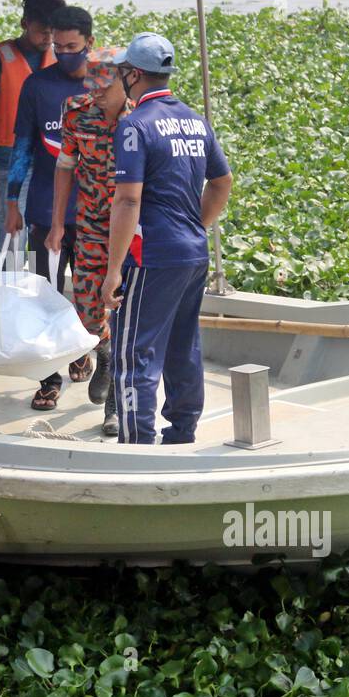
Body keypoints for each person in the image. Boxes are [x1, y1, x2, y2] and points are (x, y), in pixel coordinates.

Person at [103, 34, 234, 445]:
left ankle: (136, 445)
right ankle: (182, 432)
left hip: (151, 257)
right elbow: (222, 181)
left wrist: (111, 273)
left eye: (122, 70)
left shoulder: (134, 126)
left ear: (134, 75)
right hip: (193, 253)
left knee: (133, 353)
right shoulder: (195, 120)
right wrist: (196, 225)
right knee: (183, 345)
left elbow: (127, 200)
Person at [4, 5, 94, 410]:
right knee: (47, 295)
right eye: (57, 47)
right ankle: (48, 378)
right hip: (45, 211)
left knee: (92, 296)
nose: (64, 53)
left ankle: (81, 350)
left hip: (95, 213)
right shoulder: (37, 86)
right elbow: (22, 145)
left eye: (72, 46)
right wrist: (12, 200)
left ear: (90, 43)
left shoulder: (106, 83)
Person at [49, 48, 135, 436]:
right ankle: (103, 354)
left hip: (134, 230)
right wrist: (57, 225)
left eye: (105, 87)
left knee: (127, 313)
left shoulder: (141, 117)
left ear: (125, 80)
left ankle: (115, 403)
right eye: (93, 87)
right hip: (90, 227)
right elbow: (65, 167)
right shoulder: (75, 111)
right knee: (87, 312)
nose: (97, 94)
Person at [0, 0, 65, 241]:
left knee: (44, 237)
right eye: (43, 31)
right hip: (6, 162)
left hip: (47, 160)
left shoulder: (60, 57)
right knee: (11, 243)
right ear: (24, 23)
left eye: (53, 32)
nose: (48, 38)